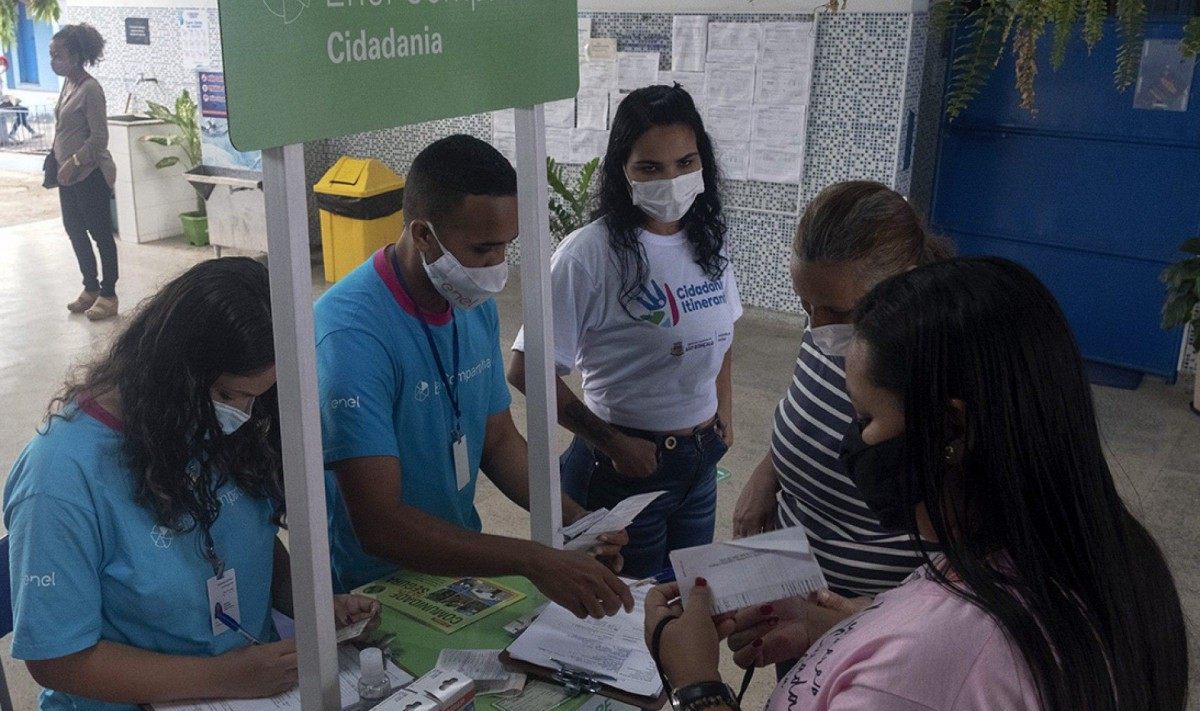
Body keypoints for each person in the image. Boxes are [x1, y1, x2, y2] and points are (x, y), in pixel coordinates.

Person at [645, 257, 1188, 711]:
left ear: (950, 428)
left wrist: (696, 685)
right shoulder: (1111, 556)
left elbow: (939, 684)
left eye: (865, 420)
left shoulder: (939, 673)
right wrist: (848, 632)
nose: (849, 446)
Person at [4, 258, 382, 711]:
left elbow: (247, 537)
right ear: (171, 373)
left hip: (256, 704)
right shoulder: (61, 477)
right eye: (228, 394)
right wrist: (220, 677)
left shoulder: (205, 420)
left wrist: (312, 605)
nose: (241, 415)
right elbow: (58, 659)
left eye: (255, 398)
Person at [315, 134, 633, 620]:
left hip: (459, 572)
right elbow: (380, 525)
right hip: (374, 591)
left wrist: (575, 520)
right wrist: (533, 559)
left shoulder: (466, 302)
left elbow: (497, 440)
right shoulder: (351, 335)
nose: (496, 268)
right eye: (483, 249)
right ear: (423, 235)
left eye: (506, 247)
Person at [508, 84, 739, 582]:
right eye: (650, 168)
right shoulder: (588, 255)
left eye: (685, 162)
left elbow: (724, 332)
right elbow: (528, 369)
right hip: (621, 473)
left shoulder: (707, 240)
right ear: (623, 170)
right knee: (619, 627)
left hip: (700, 467)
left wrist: (723, 408)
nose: (672, 180)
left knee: (684, 610)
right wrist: (613, 444)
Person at [732, 182, 951, 668]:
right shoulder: (831, 325)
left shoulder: (937, 369)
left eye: (838, 312)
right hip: (800, 588)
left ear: (906, 282)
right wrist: (768, 474)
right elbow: (807, 408)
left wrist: (870, 616)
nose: (816, 326)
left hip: (874, 620)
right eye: (807, 305)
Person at [49, 24, 119, 320]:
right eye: (51, 55)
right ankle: (90, 288)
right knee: (75, 230)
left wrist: (75, 162)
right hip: (66, 176)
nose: (53, 61)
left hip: (90, 174)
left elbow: (99, 138)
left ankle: (109, 293)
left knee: (100, 233)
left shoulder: (91, 88)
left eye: (59, 55)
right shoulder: (68, 85)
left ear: (76, 55)